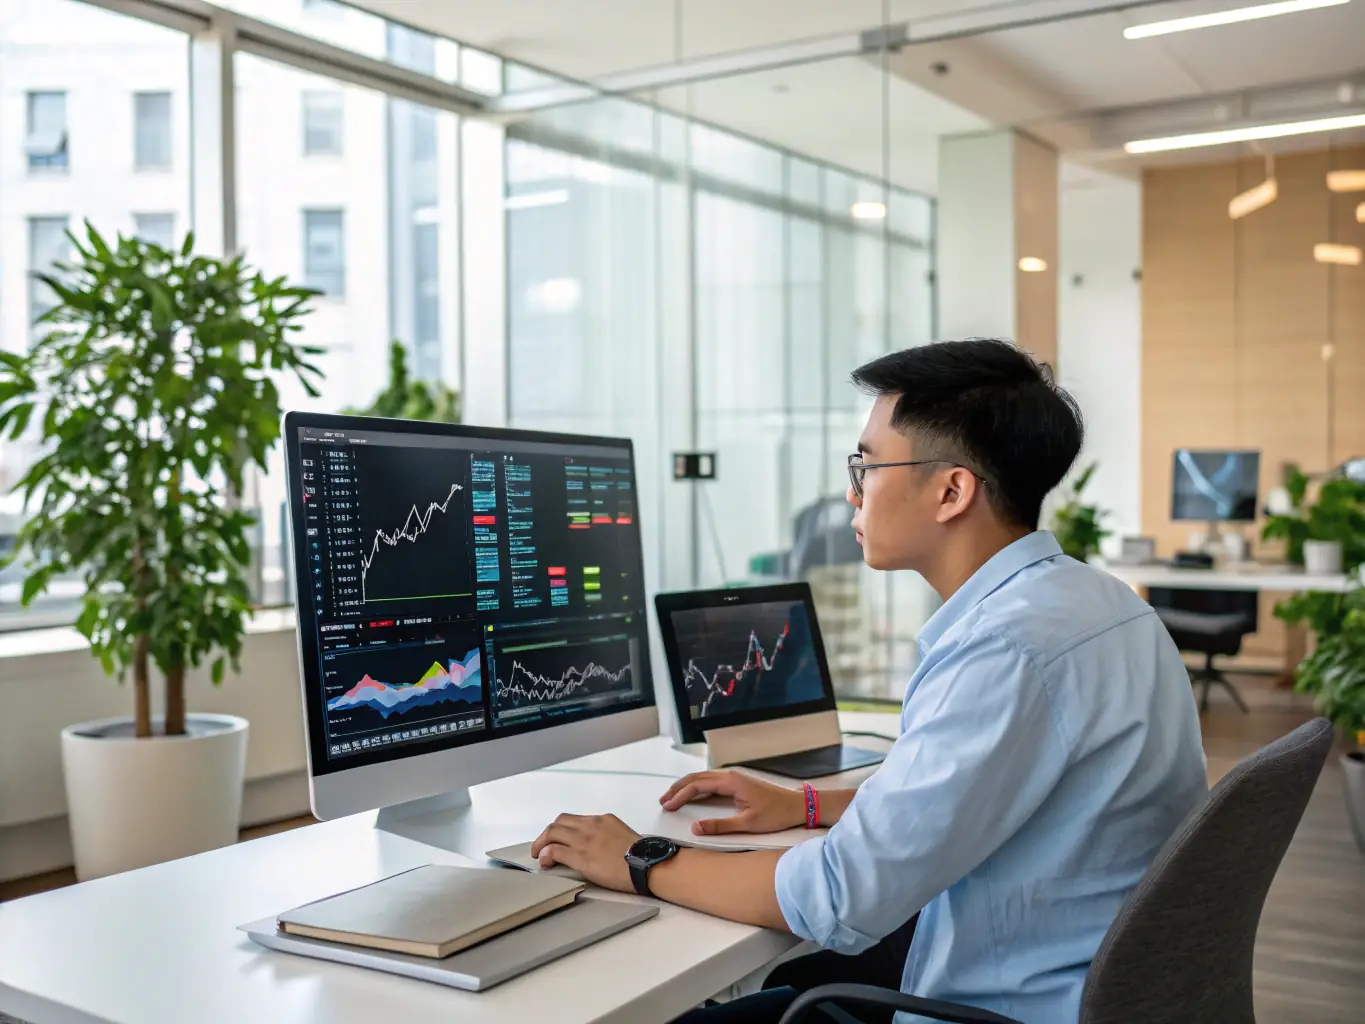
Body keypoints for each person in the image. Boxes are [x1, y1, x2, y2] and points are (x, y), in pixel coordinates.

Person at [531, 339, 1208, 1023]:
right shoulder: (1101, 602)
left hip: (993, 1003)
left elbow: (836, 897)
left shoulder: (1004, 649)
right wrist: (806, 805)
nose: (851, 491)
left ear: (951, 490)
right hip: (1071, 976)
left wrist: (638, 858)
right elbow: (977, 797)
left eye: (867, 464)